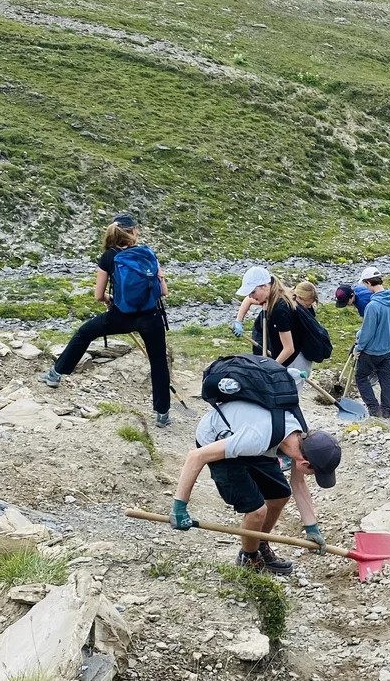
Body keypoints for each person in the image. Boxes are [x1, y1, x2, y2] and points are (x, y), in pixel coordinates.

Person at [169, 399, 342, 574]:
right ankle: (249, 558)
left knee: (280, 494)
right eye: (317, 473)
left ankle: (259, 544)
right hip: (217, 437)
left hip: (248, 438)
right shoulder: (258, 437)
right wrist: (179, 507)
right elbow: (196, 456)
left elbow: (298, 483)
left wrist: (312, 527)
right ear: (305, 463)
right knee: (256, 510)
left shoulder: (303, 437)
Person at [39, 213, 172, 427]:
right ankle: (162, 414)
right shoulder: (147, 254)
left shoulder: (109, 257)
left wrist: (111, 299)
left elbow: (99, 295)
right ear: (133, 232)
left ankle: (55, 374)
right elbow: (162, 292)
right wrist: (160, 277)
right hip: (151, 317)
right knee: (158, 362)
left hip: (121, 316)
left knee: (85, 333)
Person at [232, 267, 311, 383]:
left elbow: (289, 349)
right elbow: (248, 300)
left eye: (253, 292)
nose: (250, 296)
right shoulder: (270, 295)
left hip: (297, 358)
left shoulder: (280, 309)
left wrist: (270, 368)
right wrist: (238, 321)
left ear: (264, 286)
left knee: (288, 394)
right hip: (285, 352)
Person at [353, 267, 390, 418]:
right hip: (388, 347)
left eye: (365, 284)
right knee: (385, 378)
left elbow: (367, 332)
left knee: (360, 377)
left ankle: (373, 409)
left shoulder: (373, 306)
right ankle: (386, 410)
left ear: (368, 282)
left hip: (372, 351)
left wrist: (358, 348)